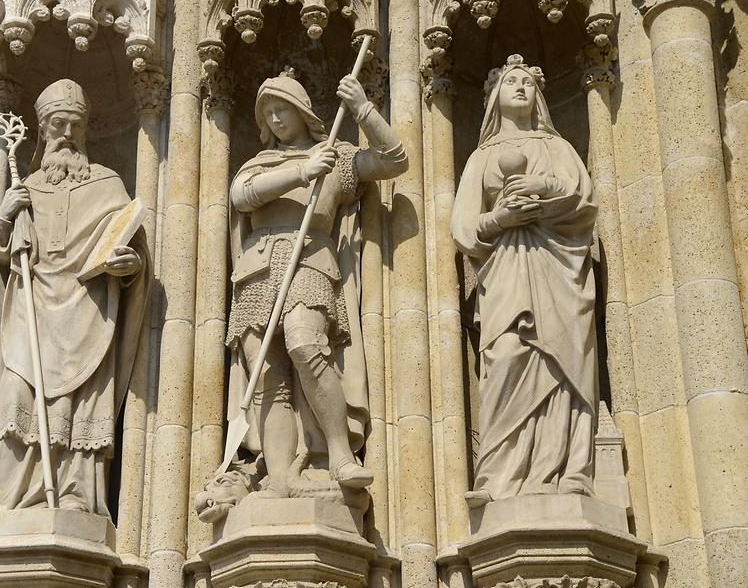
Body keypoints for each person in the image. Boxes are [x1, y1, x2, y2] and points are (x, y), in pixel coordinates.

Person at [0, 79, 149, 522]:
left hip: (90, 311)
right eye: (58, 124)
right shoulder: (28, 189)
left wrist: (129, 265)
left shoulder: (107, 183)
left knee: (80, 405)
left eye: (75, 125)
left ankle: (77, 497)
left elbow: (133, 249)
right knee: (18, 394)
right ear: (42, 129)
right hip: (33, 310)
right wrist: (4, 217)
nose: (66, 134)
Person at [225, 70, 407, 497]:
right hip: (256, 270)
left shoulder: (336, 157)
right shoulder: (261, 163)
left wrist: (363, 108)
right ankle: (283, 480)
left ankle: (340, 454)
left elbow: (395, 159)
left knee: (305, 344)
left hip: (309, 258)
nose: (274, 119)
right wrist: (302, 172)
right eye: (267, 113)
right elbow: (242, 196)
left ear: (302, 111)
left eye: (281, 108)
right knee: (269, 376)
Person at [451, 55, 599, 508]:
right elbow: (462, 228)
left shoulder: (558, 148)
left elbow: (582, 198)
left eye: (528, 82)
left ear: (539, 97)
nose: (519, 87)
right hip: (507, 268)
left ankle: (569, 471)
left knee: (562, 360)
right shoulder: (482, 157)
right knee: (510, 352)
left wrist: (540, 192)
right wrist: (499, 217)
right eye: (509, 81)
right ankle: (499, 475)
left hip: (559, 266)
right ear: (493, 96)